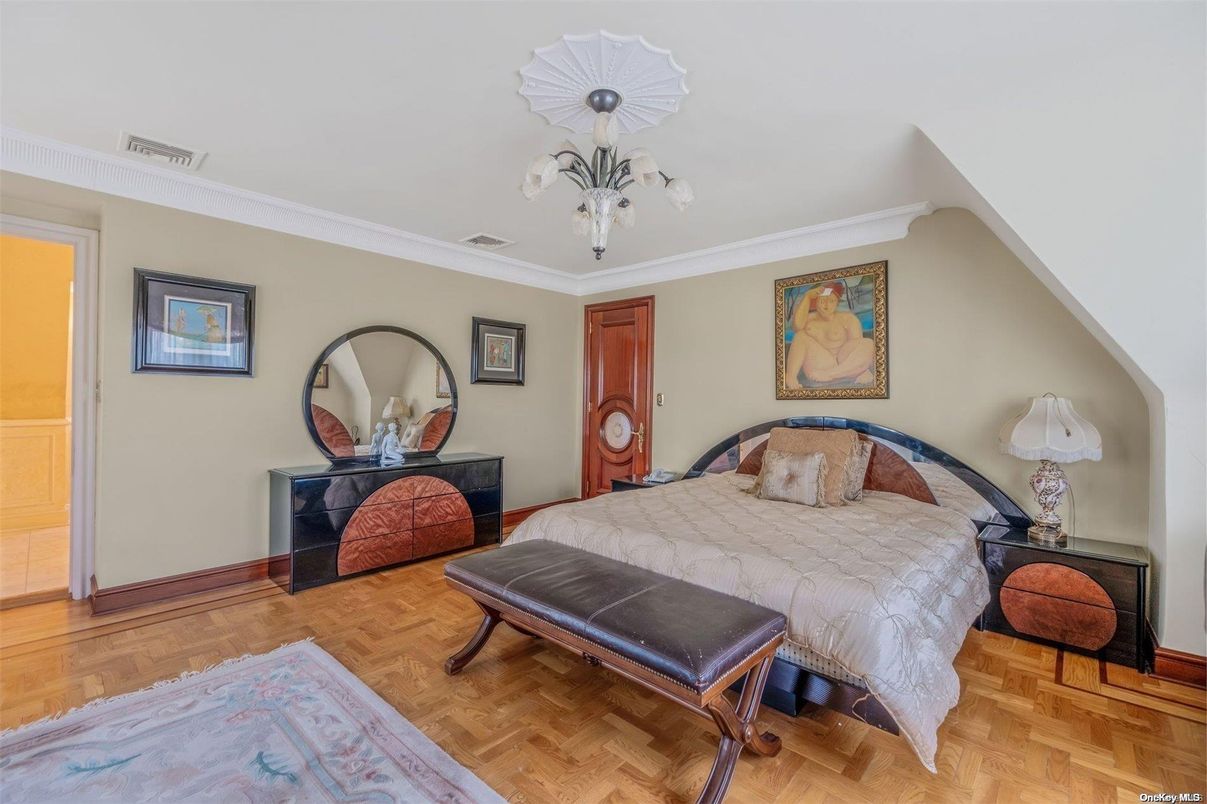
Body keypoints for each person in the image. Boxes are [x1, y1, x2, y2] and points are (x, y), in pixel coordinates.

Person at [784, 282, 874, 388]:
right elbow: (797, 327)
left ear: (837, 303)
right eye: (822, 301)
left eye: (832, 301)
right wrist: (807, 297)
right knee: (800, 336)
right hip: (821, 365)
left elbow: (857, 347)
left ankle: (833, 374)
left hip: (846, 364)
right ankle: (791, 376)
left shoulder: (848, 319)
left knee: (868, 343)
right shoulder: (808, 320)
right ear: (815, 303)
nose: (827, 305)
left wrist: (862, 368)